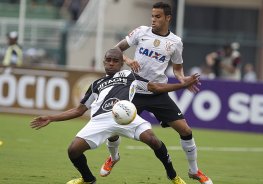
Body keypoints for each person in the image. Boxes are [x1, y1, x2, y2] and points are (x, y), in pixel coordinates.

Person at [30, 48, 201, 184]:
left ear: (121, 64)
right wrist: (51, 118)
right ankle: (88, 179)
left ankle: (173, 176)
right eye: (108, 60)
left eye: (115, 61)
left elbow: (155, 88)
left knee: (153, 140)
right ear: (104, 62)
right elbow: (78, 110)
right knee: (73, 150)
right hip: (100, 119)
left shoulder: (129, 75)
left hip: (127, 116)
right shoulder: (96, 84)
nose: (111, 63)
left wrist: (181, 85)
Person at [101, 2, 213, 184]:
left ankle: (194, 171)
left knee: (185, 130)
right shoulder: (141, 32)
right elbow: (117, 50)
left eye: (158, 16)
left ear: (168, 18)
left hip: (157, 92)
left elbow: (177, 69)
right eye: (152, 16)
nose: (153, 20)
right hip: (133, 90)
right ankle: (113, 158)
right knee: (113, 127)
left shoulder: (175, 42)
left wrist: (183, 79)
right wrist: (128, 60)